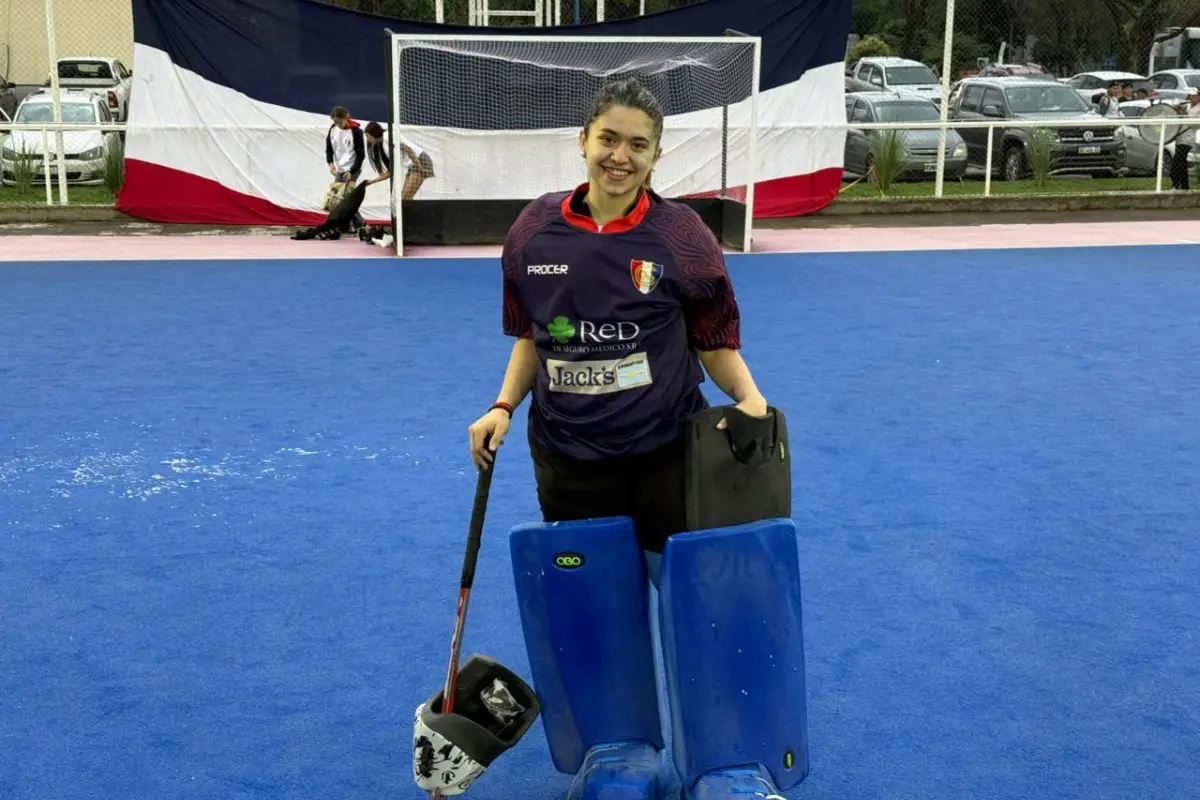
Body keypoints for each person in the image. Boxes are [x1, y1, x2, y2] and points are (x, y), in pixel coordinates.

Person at [432, 78, 808, 800]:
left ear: (656, 157)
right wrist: (503, 406)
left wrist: (753, 400)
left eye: (638, 144)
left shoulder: (680, 238)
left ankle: (727, 761)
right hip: (571, 462)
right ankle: (619, 755)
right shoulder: (533, 234)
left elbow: (711, 339)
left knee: (704, 604)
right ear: (583, 140)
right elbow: (534, 340)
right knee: (595, 607)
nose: (620, 155)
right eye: (609, 138)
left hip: (670, 455)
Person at [1170, 87, 1200, 191]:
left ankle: (1176, 184)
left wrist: (1185, 115)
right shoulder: (1186, 105)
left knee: (1176, 161)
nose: (1192, 97)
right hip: (1179, 137)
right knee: (1181, 163)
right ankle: (1184, 185)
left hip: (1188, 139)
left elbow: (1197, 124)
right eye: (1191, 95)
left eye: (1195, 96)